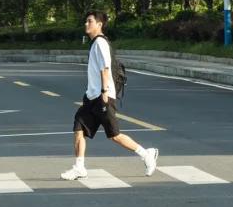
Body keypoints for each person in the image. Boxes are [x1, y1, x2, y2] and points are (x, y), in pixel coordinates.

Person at [61, 10, 159, 181]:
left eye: (89, 21)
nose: (86, 24)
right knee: (78, 129)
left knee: (114, 135)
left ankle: (146, 154)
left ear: (99, 24)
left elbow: (105, 68)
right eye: (86, 21)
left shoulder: (100, 43)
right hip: (91, 97)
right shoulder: (94, 43)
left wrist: (105, 92)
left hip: (102, 96)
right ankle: (79, 167)